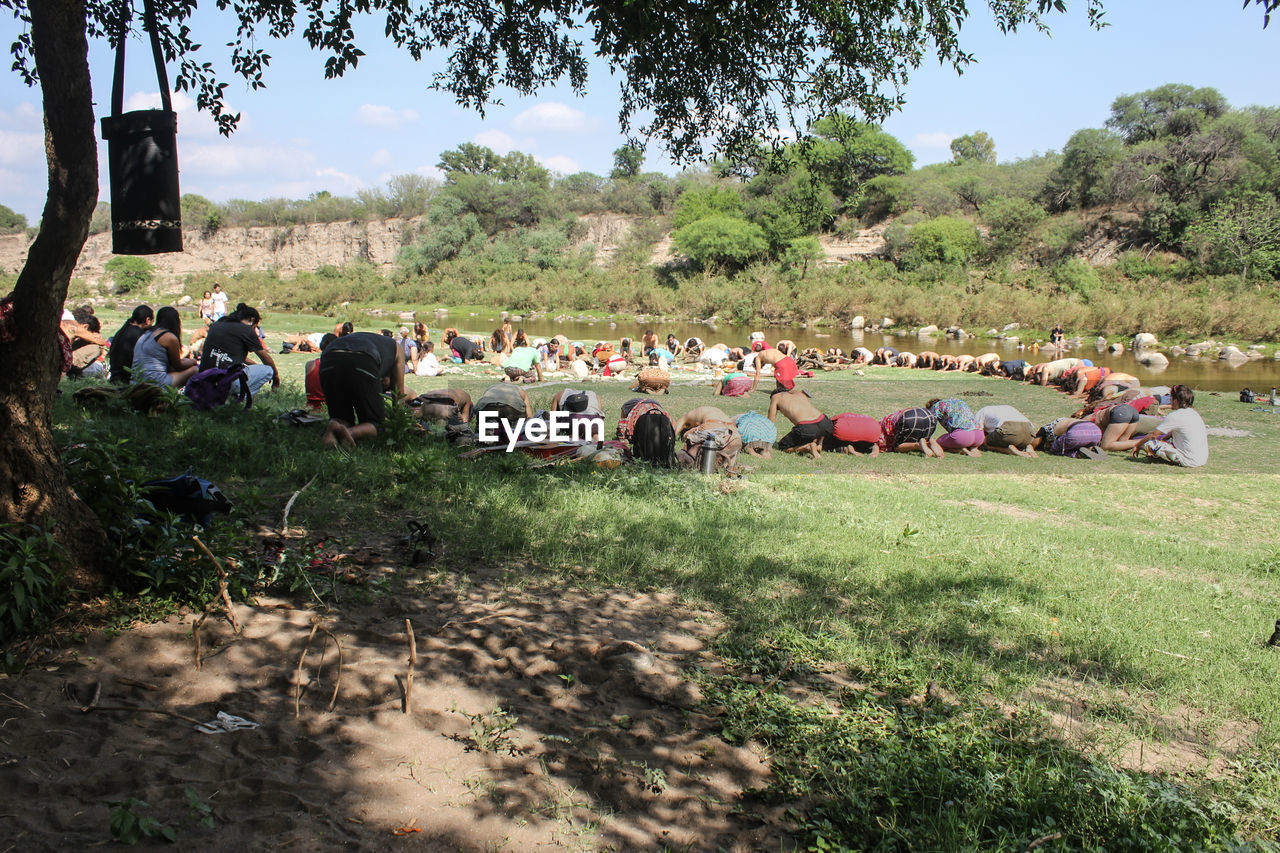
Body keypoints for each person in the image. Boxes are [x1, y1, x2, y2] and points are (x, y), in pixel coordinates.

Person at [318, 331, 406, 448]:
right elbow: (398, 395)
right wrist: (399, 426)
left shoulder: (376, 343)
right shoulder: (398, 349)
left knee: (342, 417)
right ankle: (349, 433)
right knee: (377, 424)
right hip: (363, 358)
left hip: (329, 358)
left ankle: (334, 426)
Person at [198, 303, 280, 397]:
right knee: (268, 370)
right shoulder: (246, 330)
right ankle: (241, 398)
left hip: (204, 379)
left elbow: (232, 356)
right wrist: (276, 377)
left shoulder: (218, 324)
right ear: (251, 320)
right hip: (226, 382)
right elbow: (265, 358)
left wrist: (256, 366)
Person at [1129, 384, 1208, 468]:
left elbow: (1153, 435)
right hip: (1201, 459)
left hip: (1189, 461)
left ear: (1176, 401)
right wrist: (1163, 440)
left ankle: (1160, 457)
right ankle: (1160, 457)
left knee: (1147, 443)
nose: (1170, 401)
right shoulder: (1194, 413)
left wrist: (1137, 445)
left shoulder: (1175, 416)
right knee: (1165, 442)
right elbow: (1171, 433)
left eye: (1171, 398)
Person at [131, 306, 198, 388]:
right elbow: (178, 366)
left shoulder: (147, 334)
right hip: (155, 382)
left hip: (136, 381)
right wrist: (194, 361)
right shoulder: (169, 337)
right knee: (195, 370)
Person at [767, 388, 832, 459]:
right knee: (816, 428)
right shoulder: (799, 394)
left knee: (783, 446)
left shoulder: (776, 397)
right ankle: (819, 444)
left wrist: (767, 441)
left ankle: (808, 447)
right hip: (825, 423)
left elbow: (771, 421)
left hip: (808, 427)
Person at [673, 405, 742, 471]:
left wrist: (685, 436)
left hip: (713, 424)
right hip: (734, 434)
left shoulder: (687, 417)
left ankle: (692, 463)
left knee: (689, 437)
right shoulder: (708, 411)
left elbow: (674, 432)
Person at [107, 304, 154, 384]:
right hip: (126, 379)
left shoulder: (124, 329)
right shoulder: (138, 334)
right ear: (147, 320)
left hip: (115, 375)